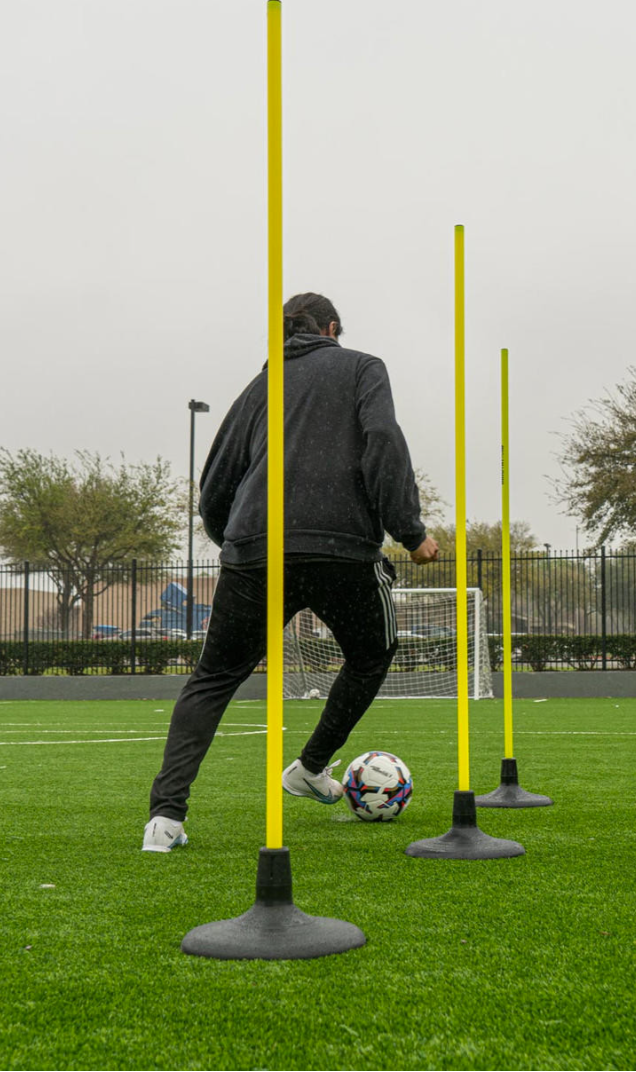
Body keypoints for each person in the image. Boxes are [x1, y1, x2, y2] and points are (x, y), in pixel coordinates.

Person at [143, 292, 439, 852]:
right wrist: (410, 531)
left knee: (212, 679)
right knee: (371, 654)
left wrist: (236, 541)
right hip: (341, 550)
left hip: (255, 552)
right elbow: (383, 441)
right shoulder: (362, 368)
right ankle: (310, 768)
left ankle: (164, 821)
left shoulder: (260, 387)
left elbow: (215, 484)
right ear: (332, 328)